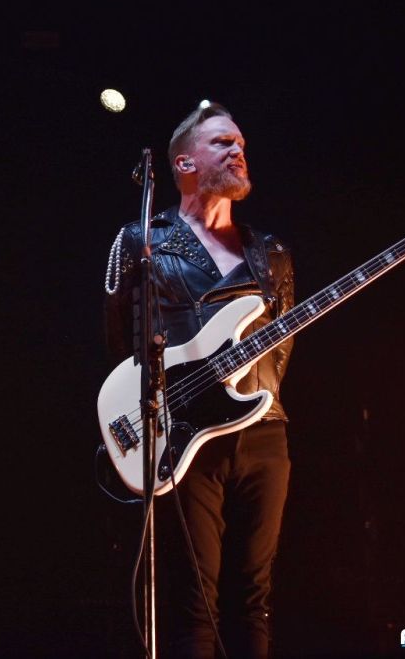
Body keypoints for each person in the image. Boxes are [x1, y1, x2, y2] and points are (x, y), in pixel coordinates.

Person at [104, 101, 294, 658]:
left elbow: (282, 347)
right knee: (194, 600)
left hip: (263, 428)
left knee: (254, 595)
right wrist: (177, 403)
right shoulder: (141, 240)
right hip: (184, 435)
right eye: (222, 143)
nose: (238, 151)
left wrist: (245, 396)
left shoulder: (271, 252)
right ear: (185, 164)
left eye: (241, 143)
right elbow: (120, 342)